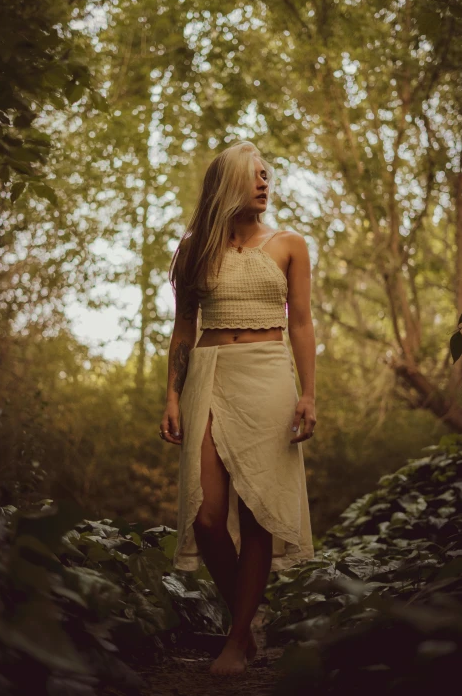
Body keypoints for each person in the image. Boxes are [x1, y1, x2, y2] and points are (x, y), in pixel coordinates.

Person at [160, 140, 316, 676]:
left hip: (268, 373)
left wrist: (309, 393)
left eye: (268, 176)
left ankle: (236, 639)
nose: (265, 184)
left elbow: (301, 323)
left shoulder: (290, 244)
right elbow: (183, 327)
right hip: (207, 369)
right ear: (228, 183)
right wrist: (173, 395)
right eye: (255, 176)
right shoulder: (194, 247)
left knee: (255, 513)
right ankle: (247, 622)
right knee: (206, 517)